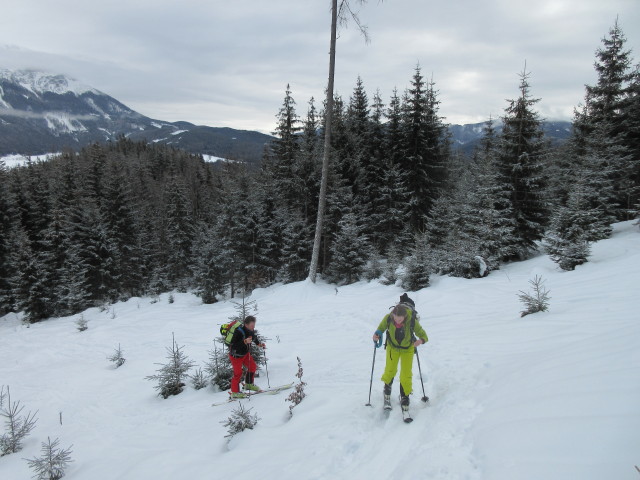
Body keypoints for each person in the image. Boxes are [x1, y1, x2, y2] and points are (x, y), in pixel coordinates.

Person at [372, 294, 428, 411]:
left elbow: (424, 335)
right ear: (393, 315)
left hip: (407, 349)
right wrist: (376, 336)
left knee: (406, 374)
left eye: (400, 319)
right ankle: (387, 391)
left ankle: (405, 396)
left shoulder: (411, 320)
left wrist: (420, 341)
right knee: (390, 370)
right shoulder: (388, 318)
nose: (397, 321)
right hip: (392, 348)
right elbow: (380, 329)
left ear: (405, 316)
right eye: (396, 319)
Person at [228, 315, 266, 399]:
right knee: (238, 374)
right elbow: (233, 346)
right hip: (236, 356)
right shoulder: (238, 332)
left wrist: (260, 344)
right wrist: (244, 341)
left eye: (254, 325)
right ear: (246, 324)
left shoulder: (250, 331)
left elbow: (254, 338)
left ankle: (248, 384)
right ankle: (234, 392)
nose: (253, 327)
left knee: (252, 367)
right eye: (252, 325)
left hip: (245, 354)